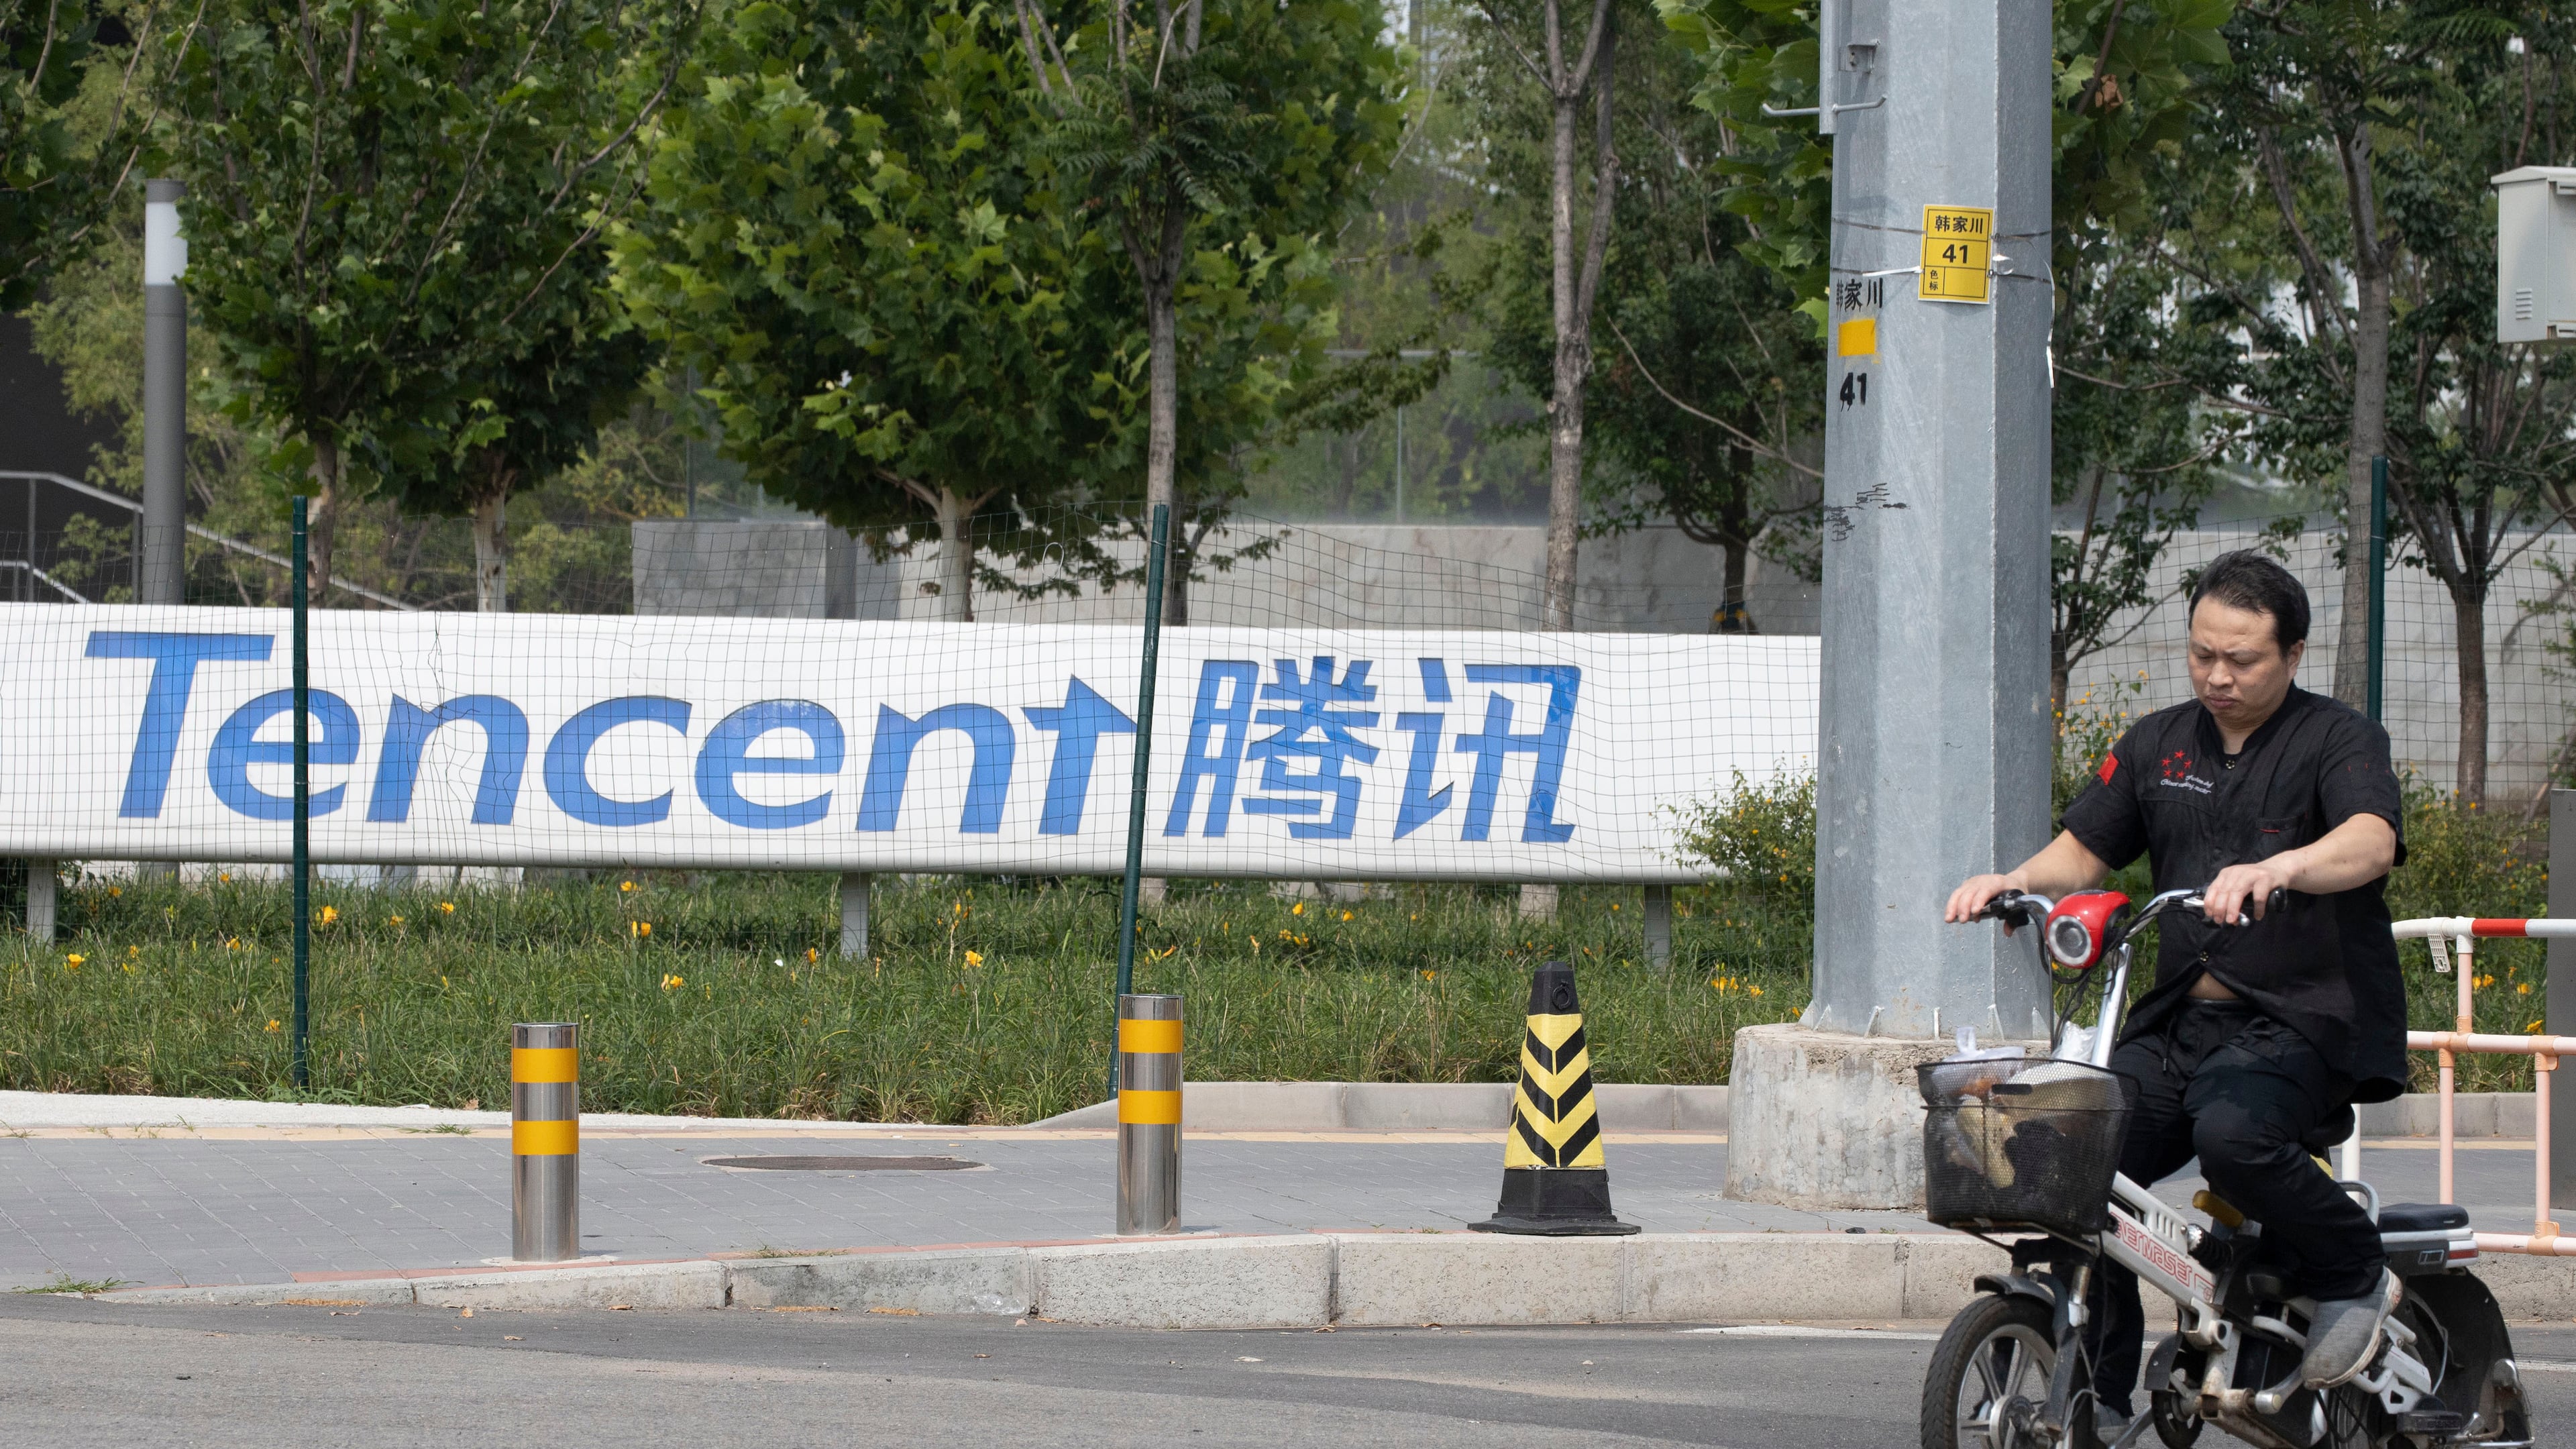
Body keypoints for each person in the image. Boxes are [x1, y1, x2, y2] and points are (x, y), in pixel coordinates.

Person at [1943, 550, 2406, 1431]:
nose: (2218, 676)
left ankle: (2352, 1269)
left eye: (2243, 660)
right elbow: (2084, 850)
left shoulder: (2339, 739)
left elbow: (2371, 840)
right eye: (2202, 655)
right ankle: (2097, 1394)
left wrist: (2285, 866)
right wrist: (2012, 880)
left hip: (2299, 1023)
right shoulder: (2159, 743)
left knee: (2234, 1138)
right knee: (2073, 1165)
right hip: (2178, 1018)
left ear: (2293, 654)